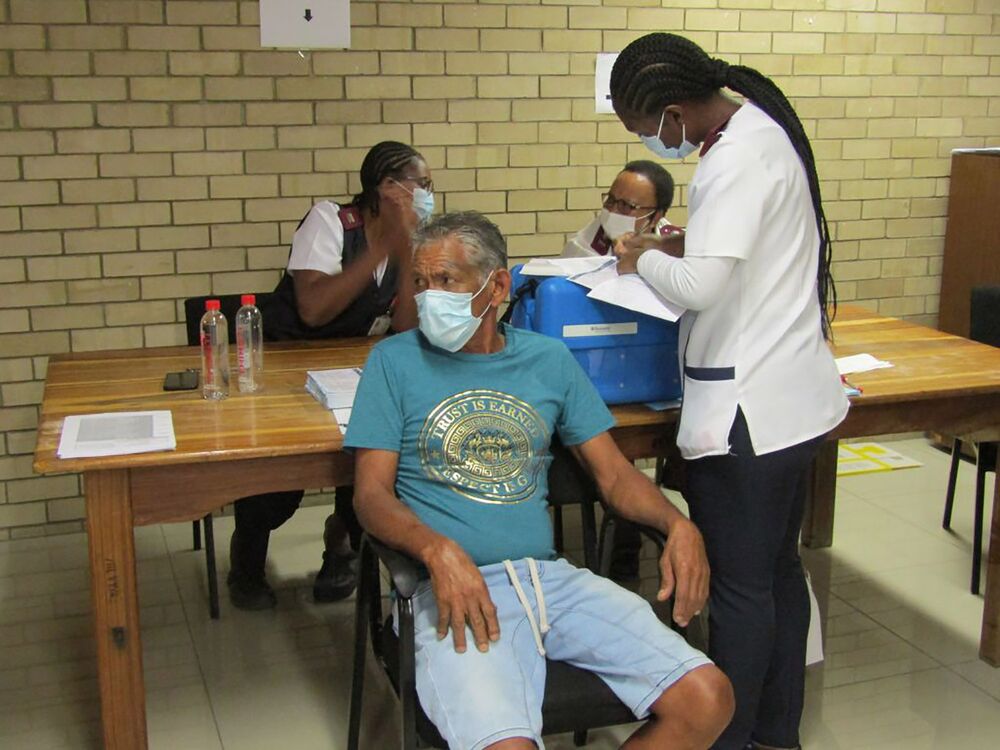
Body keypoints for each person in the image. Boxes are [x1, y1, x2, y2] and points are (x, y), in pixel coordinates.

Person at [344, 211, 734, 750]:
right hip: (454, 588)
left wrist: (678, 524)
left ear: (498, 285)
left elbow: (615, 475)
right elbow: (370, 496)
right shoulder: (393, 362)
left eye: (447, 280)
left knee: (707, 699)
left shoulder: (548, 360)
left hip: (550, 582)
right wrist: (436, 551)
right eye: (420, 282)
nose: (429, 297)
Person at [608, 33, 849, 750]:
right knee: (777, 572)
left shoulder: (735, 159)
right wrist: (685, 246)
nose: (654, 140)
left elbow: (705, 288)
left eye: (650, 128)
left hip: (747, 417)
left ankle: (733, 740)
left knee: (742, 592)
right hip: (792, 403)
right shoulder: (758, 132)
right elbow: (747, 259)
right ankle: (776, 735)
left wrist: (641, 256)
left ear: (674, 112)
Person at [226, 141, 430, 611]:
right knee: (275, 488)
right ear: (386, 187)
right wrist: (382, 245)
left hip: (348, 372)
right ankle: (248, 561)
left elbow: (405, 326)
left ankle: (341, 545)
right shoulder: (332, 221)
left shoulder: (404, 241)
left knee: (369, 456)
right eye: (421, 185)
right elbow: (314, 309)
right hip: (284, 365)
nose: (427, 196)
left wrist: (406, 249)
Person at [562, 159, 682, 258]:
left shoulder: (678, 251)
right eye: (610, 200)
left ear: (655, 217)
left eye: (626, 205)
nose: (612, 211)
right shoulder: (581, 247)